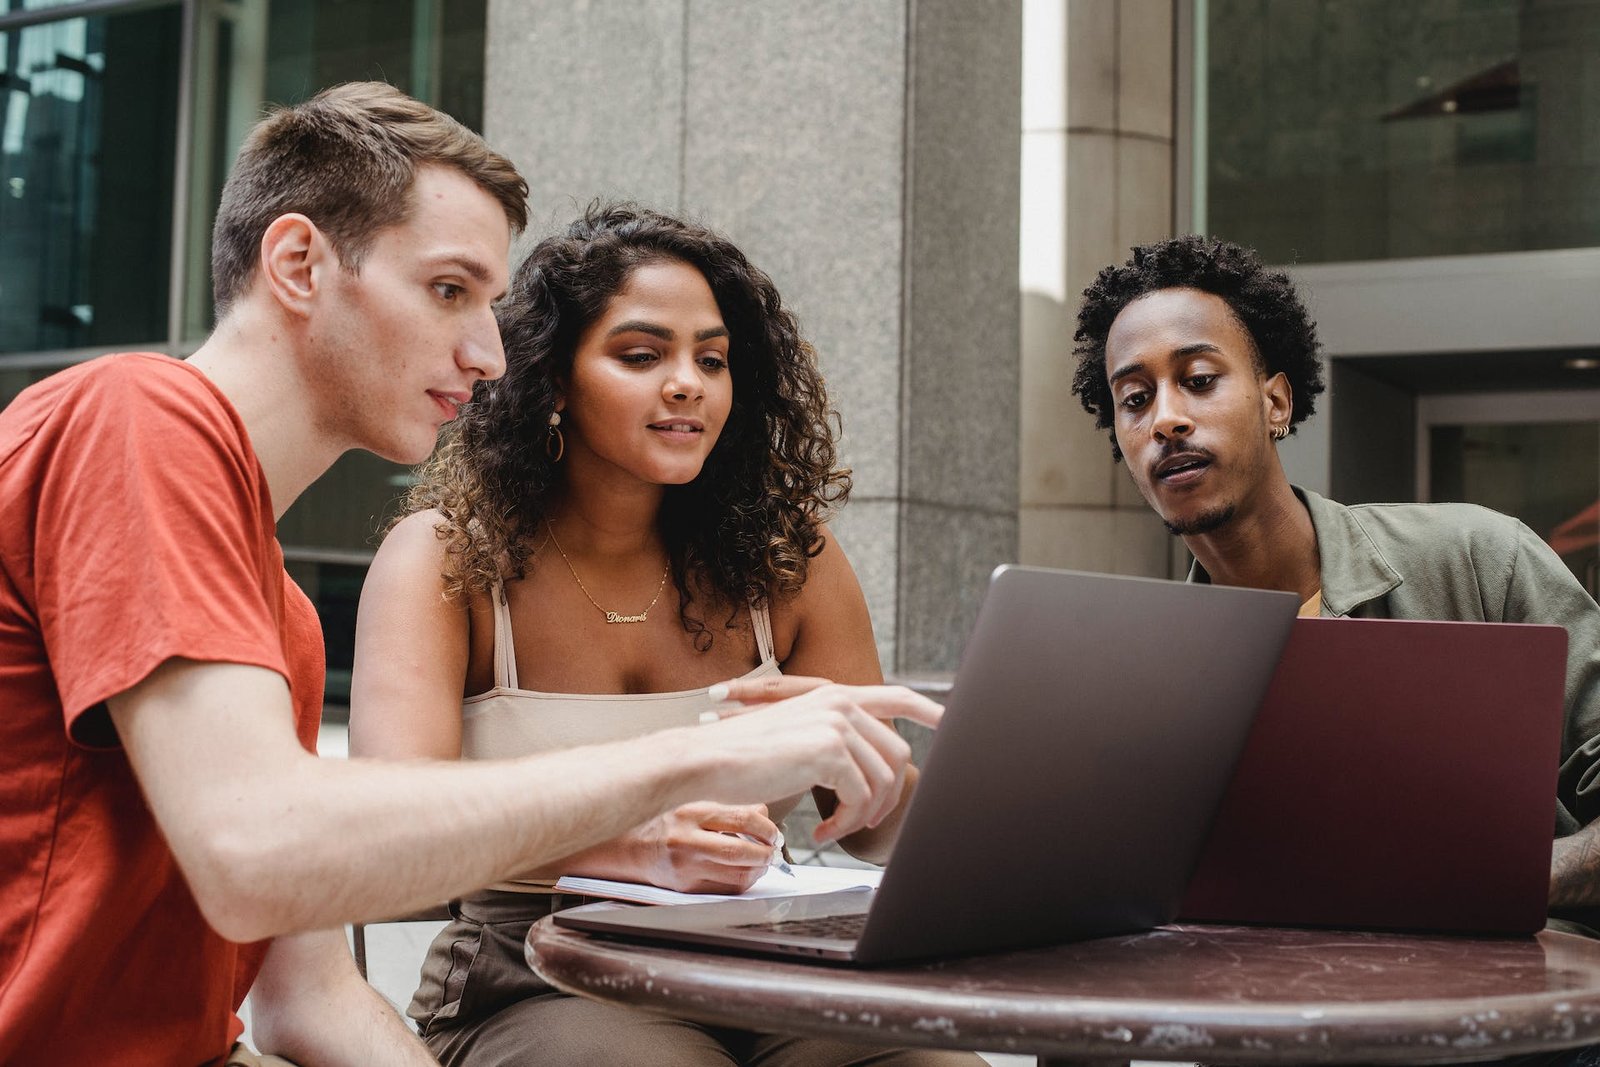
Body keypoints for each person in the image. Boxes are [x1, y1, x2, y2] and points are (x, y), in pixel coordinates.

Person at [0, 84, 939, 1067]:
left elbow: (310, 1000)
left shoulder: (279, 617)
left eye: (491, 307)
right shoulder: (135, 412)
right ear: (296, 263)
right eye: (449, 290)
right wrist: (702, 761)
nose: (490, 354)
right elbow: (254, 854)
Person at [346, 202, 979, 1067]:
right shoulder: (447, 558)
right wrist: (631, 848)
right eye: (642, 355)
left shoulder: (789, 560)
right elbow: (389, 826)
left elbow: (875, 836)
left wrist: (877, 785)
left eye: (711, 360)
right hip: (538, 971)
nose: (687, 382)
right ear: (553, 380)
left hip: (771, 961)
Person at [1068, 234, 1600, 929]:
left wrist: (1494, 881)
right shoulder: (1148, 676)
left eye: (1198, 379)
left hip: (1523, 1024)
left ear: (1276, 403)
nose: (1165, 418)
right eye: (1134, 398)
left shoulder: (1478, 557)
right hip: (1277, 1023)